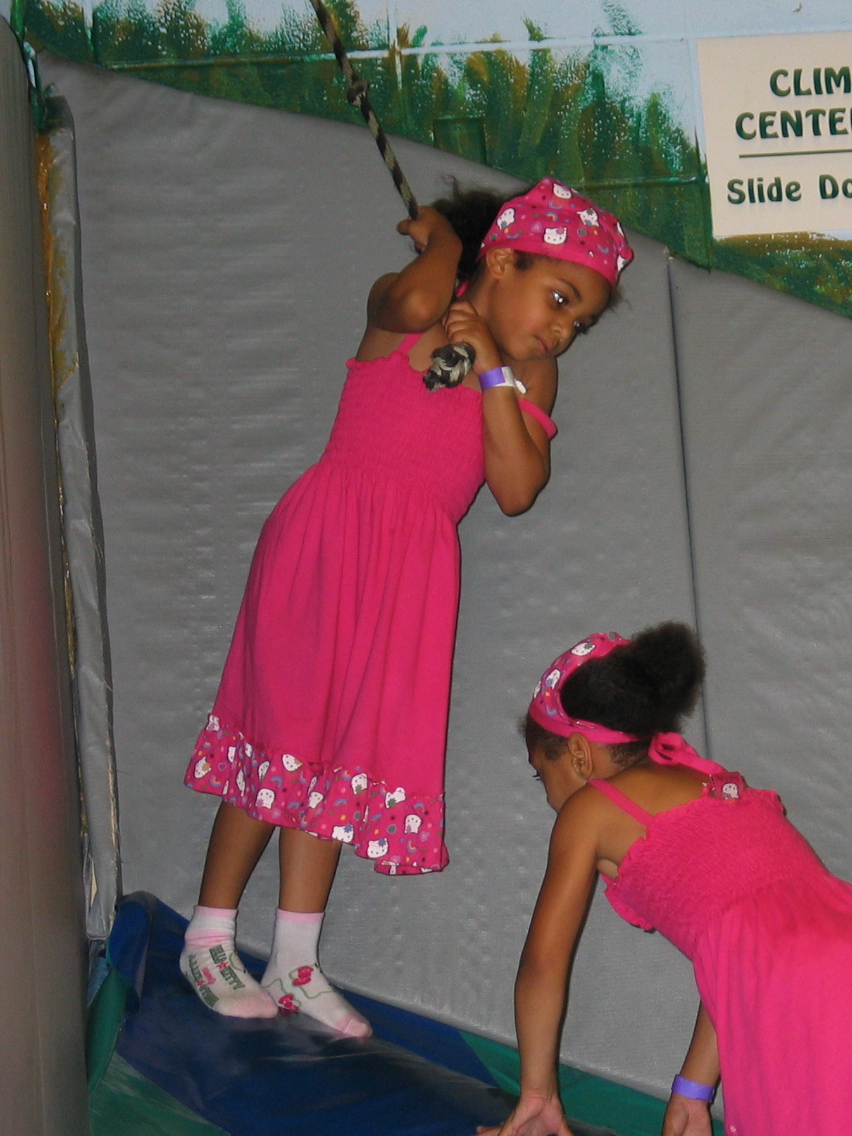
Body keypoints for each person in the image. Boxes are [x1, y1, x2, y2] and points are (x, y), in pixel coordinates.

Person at [179, 178, 634, 1037]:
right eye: (560, 298)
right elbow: (419, 298)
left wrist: (493, 368)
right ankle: (208, 934)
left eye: (581, 320)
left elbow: (517, 488)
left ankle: (294, 961)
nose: (563, 330)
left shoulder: (530, 374)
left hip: (413, 572)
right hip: (327, 541)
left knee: (340, 760)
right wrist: (445, 243)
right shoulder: (414, 312)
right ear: (501, 262)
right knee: (282, 738)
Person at [470, 624, 852, 1136]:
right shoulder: (711, 783)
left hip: (788, 972)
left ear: (579, 754)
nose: (548, 794)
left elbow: (543, 965)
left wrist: (538, 1092)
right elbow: (736, 961)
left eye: (542, 773)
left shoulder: (589, 811)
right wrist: (692, 1092)